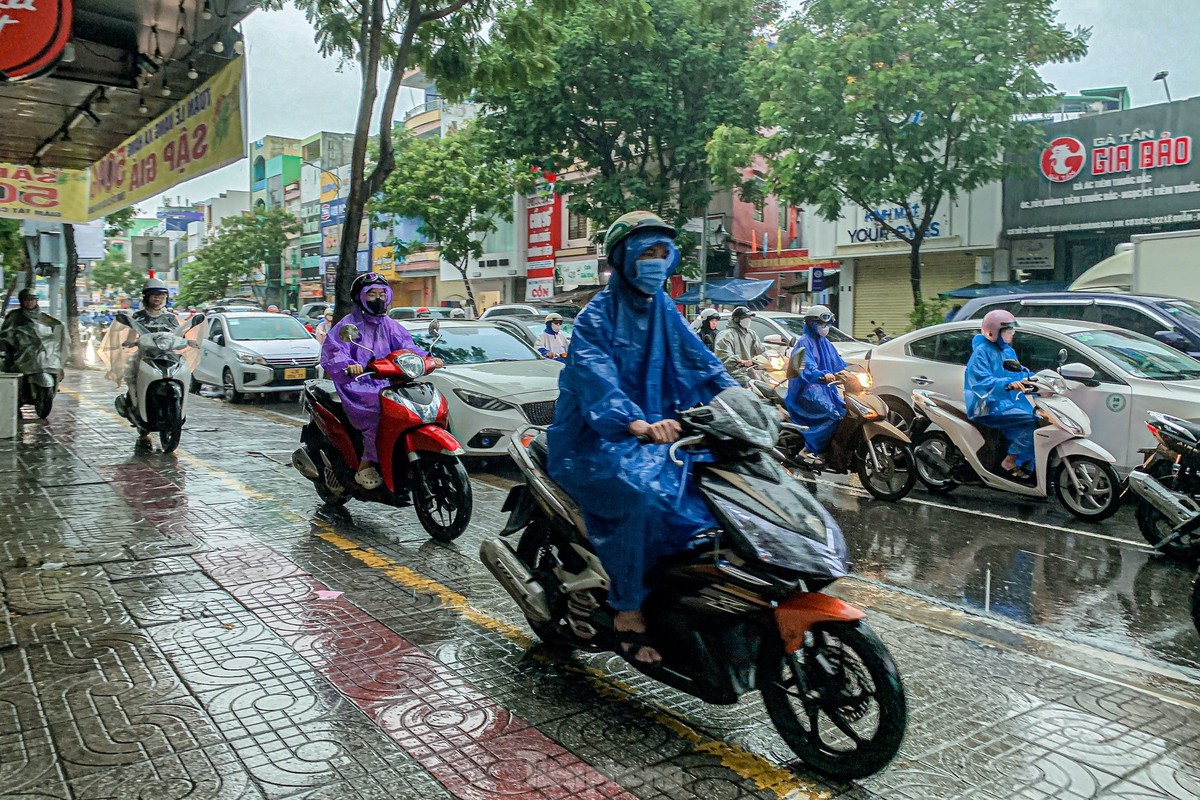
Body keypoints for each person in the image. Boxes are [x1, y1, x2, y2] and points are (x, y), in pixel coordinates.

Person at [547, 211, 738, 666]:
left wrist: (742, 402)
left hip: (660, 435)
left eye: (661, 254)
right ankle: (629, 610)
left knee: (715, 484)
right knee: (643, 499)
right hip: (597, 441)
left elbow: (702, 364)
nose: (654, 263)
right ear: (623, 260)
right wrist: (635, 424)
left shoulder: (665, 310)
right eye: (644, 254)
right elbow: (596, 379)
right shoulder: (596, 316)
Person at [321, 273, 444, 489]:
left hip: (390, 382)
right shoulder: (348, 325)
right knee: (376, 415)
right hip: (360, 385)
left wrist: (427, 358)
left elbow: (407, 346)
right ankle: (366, 463)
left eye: (381, 294)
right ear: (360, 298)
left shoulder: (390, 325)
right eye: (372, 295)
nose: (377, 299)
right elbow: (335, 352)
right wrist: (349, 365)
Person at [965, 309, 1037, 479]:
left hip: (1006, 403)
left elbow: (1019, 372)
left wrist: (1038, 380)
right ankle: (1010, 461)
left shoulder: (1007, 351)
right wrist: (1007, 384)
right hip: (986, 405)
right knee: (1033, 423)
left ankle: (1026, 462)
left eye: (1012, 331)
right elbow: (980, 381)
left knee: (1039, 419)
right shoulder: (981, 352)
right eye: (1007, 331)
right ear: (993, 332)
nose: (1011, 334)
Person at [784, 305, 847, 466]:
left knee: (845, 411)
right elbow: (807, 368)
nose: (825, 328)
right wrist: (821, 374)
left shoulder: (825, 342)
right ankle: (808, 450)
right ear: (812, 324)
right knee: (832, 414)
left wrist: (849, 373)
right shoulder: (804, 343)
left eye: (827, 325)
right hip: (806, 390)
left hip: (825, 388)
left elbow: (838, 362)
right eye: (822, 325)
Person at [114, 278, 181, 431]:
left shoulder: (171, 317)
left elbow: (178, 335)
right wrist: (130, 342)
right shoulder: (138, 317)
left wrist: (185, 342)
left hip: (167, 356)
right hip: (145, 356)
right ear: (146, 297)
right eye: (153, 295)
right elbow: (131, 335)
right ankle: (133, 402)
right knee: (130, 374)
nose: (157, 298)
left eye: (161, 295)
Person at [0, 288, 67, 382]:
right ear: (22, 301)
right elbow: (6, 332)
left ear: (36, 301)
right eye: (27, 300)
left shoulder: (42, 316)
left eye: (32, 300)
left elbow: (56, 325)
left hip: (41, 351)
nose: (30, 302)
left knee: (53, 364)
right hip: (20, 350)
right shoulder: (14, 315)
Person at [714, 306, 764, 386]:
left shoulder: (751, 334)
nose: (748, 320)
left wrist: (770, 358)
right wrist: (741, 361)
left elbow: (761, 350)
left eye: (749, 317)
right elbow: (724, 356)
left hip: (749, 373)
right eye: (745, 317)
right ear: (736, 319)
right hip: (733, 375)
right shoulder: (726, 335)